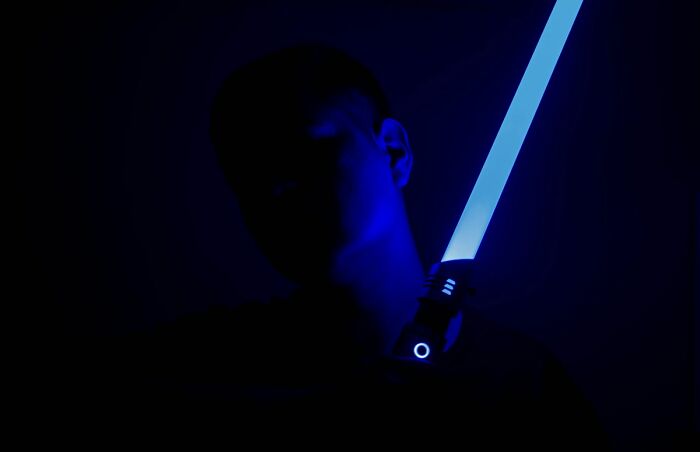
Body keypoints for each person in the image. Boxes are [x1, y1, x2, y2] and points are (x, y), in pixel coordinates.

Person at [50, 42, 611, 449]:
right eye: (247, 174)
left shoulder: (524, 386)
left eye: (303, 151)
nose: (274, 188)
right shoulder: (193, 366)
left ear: (393, 152)